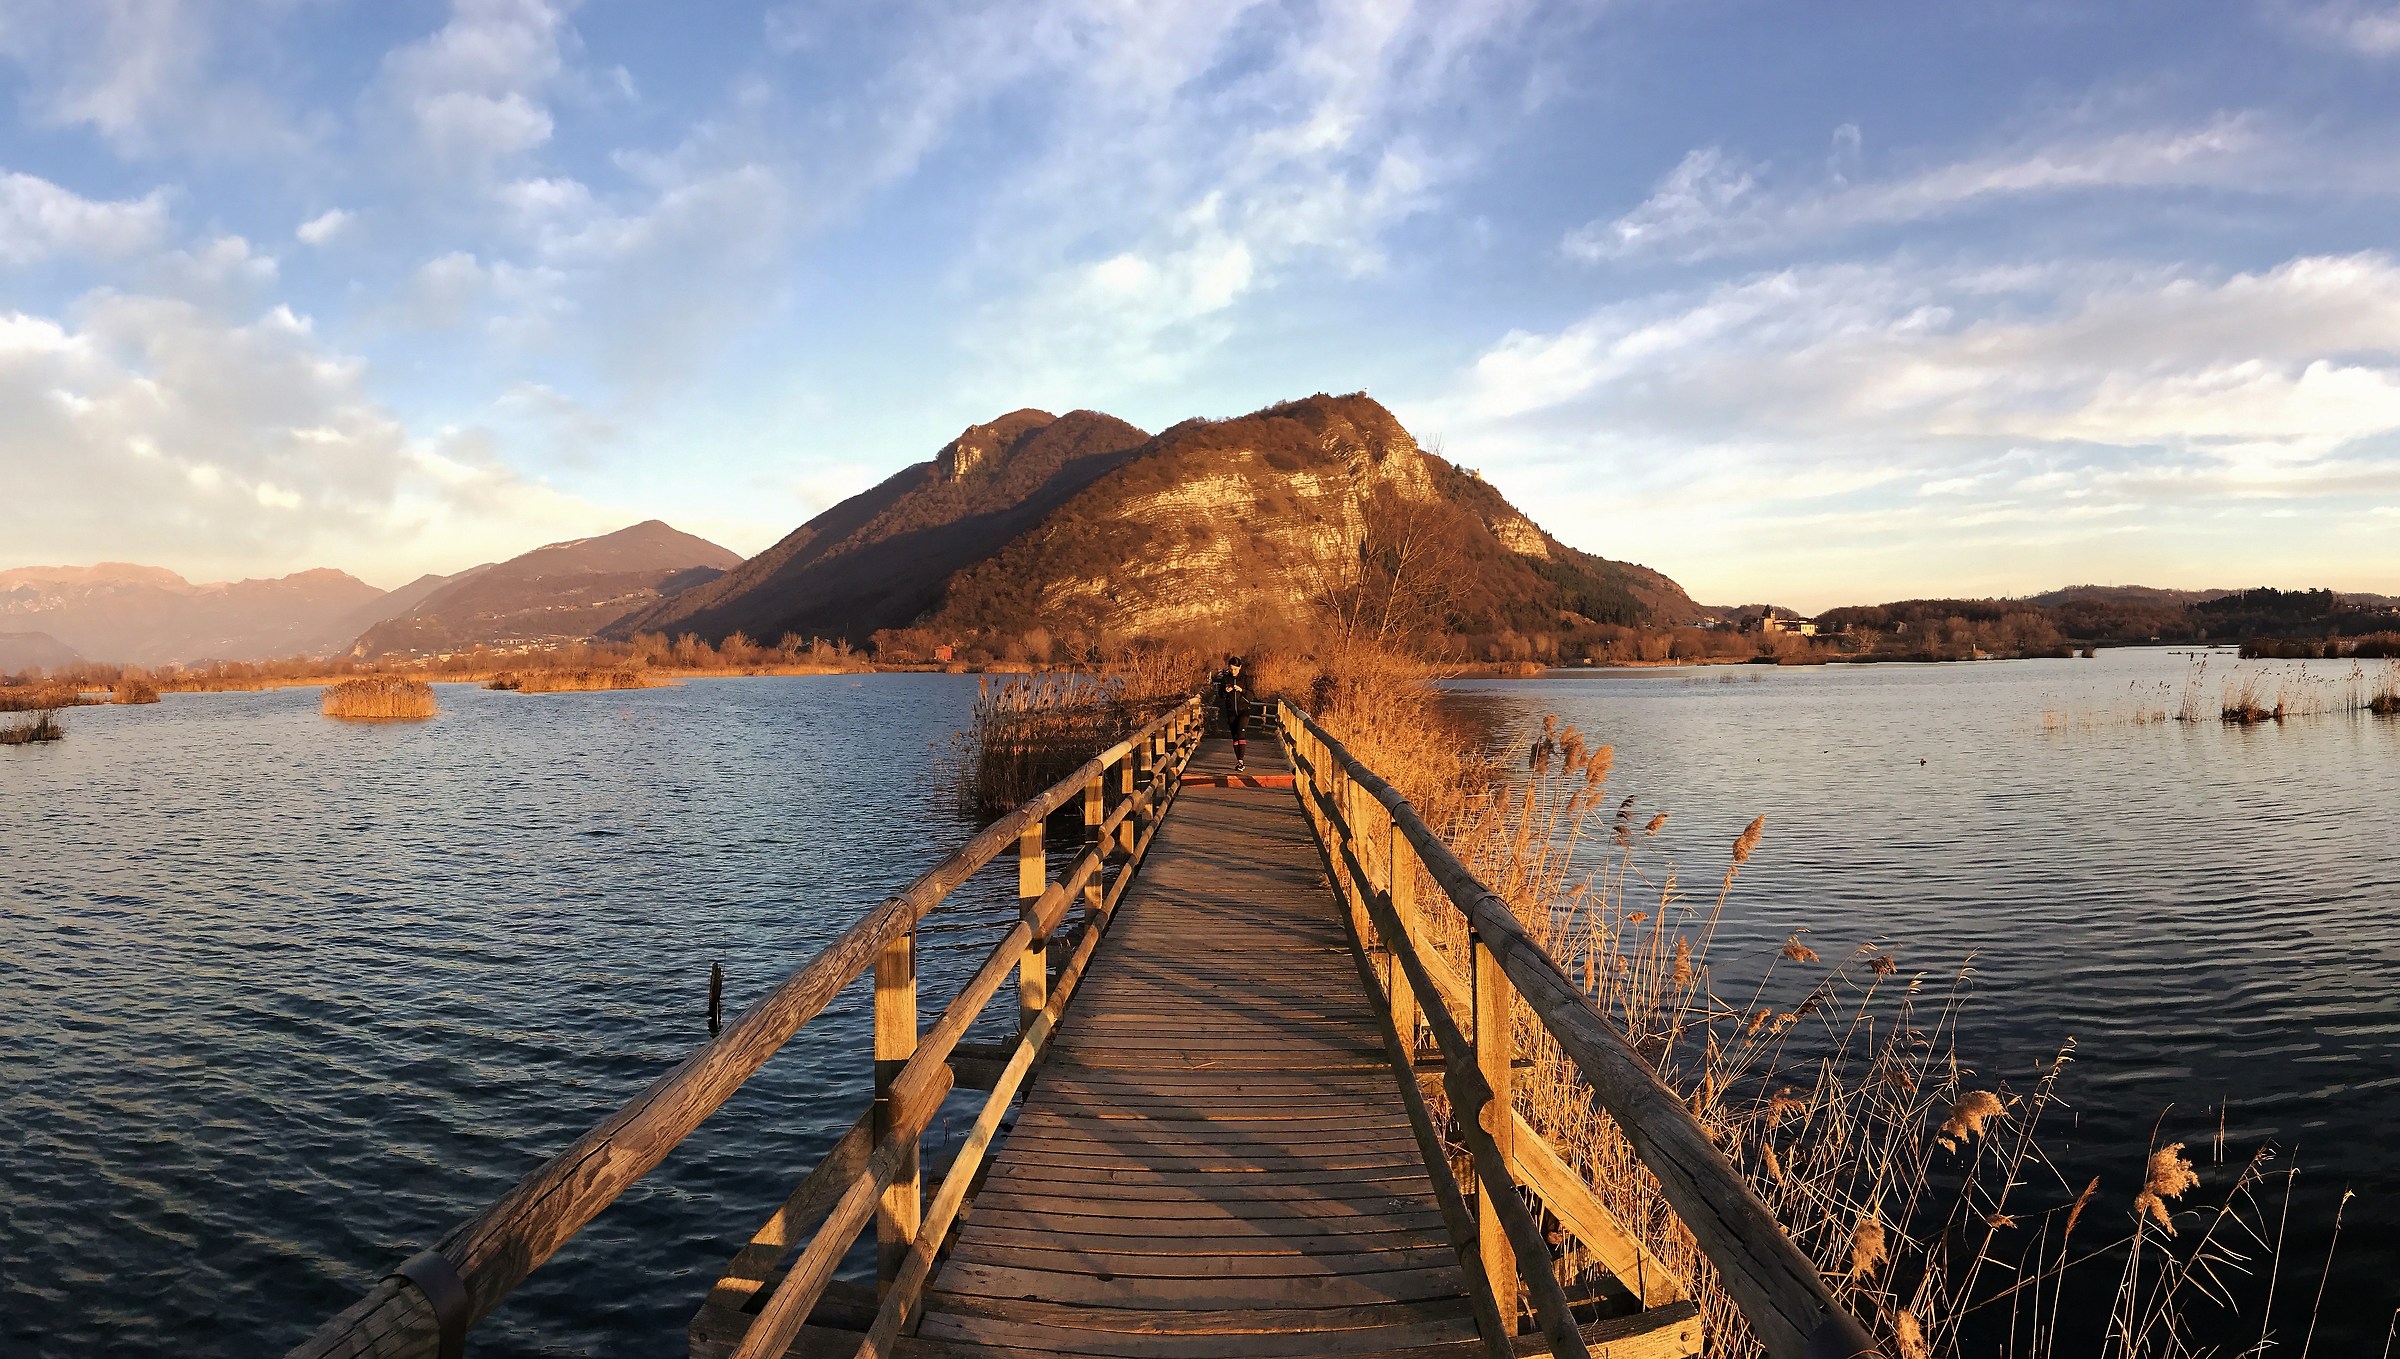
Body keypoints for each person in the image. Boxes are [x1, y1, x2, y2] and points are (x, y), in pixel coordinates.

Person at [1212, 654, 1252, 772]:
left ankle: (1241, 760)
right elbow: (1221, 696)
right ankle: (1238, 761)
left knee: (1241, 733)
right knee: (1235, 736)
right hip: (1230, 711)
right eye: (1231, 669)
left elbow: (1251, 695)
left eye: (1235, 669)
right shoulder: (1225, 679)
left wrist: (1241, 690)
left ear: (1239, 668)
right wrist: (1225, 691)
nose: (1233, 671)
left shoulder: (1245, 679)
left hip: (1244, 710)